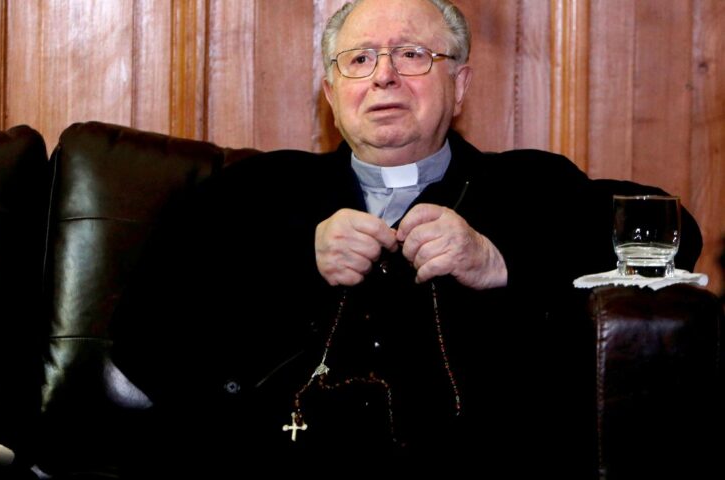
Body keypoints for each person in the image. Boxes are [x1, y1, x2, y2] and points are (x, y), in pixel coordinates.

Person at [114, 0, 702, 473]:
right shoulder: (253, 191)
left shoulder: (532, 183)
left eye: (413, 55)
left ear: (461, 84)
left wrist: (500, 261)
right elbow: (141, 331)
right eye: (360, 59)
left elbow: (675, 232)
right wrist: (295, 262)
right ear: (331, 93)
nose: (385, 76)